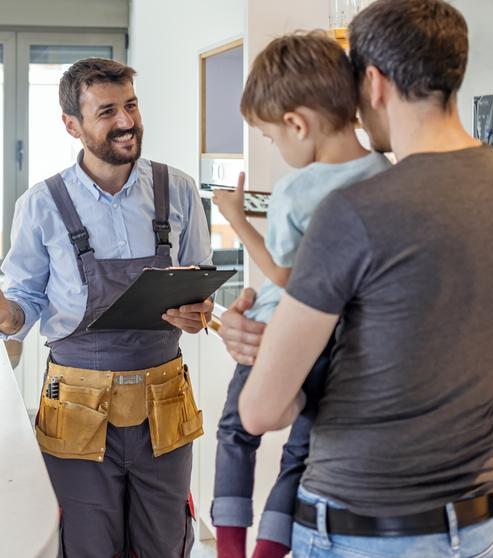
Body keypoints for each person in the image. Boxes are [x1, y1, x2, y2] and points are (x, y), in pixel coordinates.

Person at [220, 1, 493, 556]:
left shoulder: (354, 213)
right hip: (474, 527)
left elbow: (260, 411)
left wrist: (273, 357)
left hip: (360, 529)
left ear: (373, 82)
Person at [0, 58, 213, 557]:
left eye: (130, 105)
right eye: (107, 111)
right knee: (87, 545)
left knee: (165, 543)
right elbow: (25, 302)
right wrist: (4, 311)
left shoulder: (177, 189)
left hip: (164, 403)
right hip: (76, 408)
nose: (126, 121)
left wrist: (197, 310)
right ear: (72, 124)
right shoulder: (41, 204)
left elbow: (198, 279)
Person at [209, 32, 390, 558]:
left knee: (236, 431)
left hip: (277, 333)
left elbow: (287, 277)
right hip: (342, 345)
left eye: (270, 137)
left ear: (296, 124)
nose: (276, 148)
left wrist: (239, 222)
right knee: (301, 451)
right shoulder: (385, 173)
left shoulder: (296, 187)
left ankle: (229, 551)